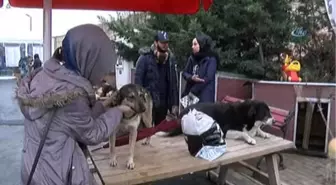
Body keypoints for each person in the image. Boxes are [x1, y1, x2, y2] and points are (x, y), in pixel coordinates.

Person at [16, 24, 134, 185]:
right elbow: (92, 133)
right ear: (85, 58)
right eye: (98, 62)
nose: (102, 74)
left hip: (34, 169)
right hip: (54, 176)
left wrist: (103, 105)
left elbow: (73, 121)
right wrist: (119, 111)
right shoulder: (71, 96)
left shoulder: (45, 77)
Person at [135, 31, 179, 125]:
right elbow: (138, 83)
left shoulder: (170, 60)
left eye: (166, 42)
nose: (165, 45)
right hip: (148, 103)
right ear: (156, 42)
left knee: (160, 133)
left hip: (164, 105)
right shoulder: (144, 58)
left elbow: (173, 84)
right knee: (146, 132)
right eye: (162, 42)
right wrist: (140, 103)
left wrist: (175, 104)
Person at [181, 33, 218, 103]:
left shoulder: (211, 59)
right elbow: (185, 72)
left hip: (204, 98)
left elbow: (207, 79)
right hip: (191, 95)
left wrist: (193, 91)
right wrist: (191, 78)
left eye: (195, 44)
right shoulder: (192, 58)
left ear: (202, 45)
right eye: (192, 44)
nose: (192, 47)